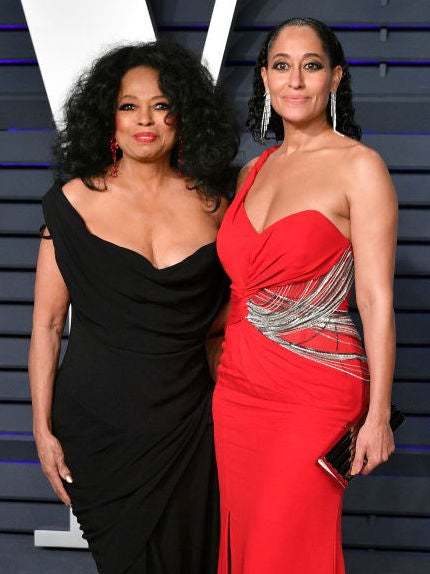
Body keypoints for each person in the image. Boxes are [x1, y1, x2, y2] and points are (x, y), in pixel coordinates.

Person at [28, 39, 239, 574]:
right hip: (99, 429)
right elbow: (48, 324)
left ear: (183, 115)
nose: (146, 119)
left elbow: (233, 316)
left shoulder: (218, 204)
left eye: (162, 104)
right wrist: (42, 429)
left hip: (191, 426)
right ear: (109, 117)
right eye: (129, 105)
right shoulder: (70, 202)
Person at [213, 17, 397, 573]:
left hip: (315, 390)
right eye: (282, 66)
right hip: (237, 393)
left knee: (287, 551)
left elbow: (376, 301)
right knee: (247, 548)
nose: (296, 80)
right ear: (265, 78)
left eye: (311, 66)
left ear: (335, 78)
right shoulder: (251, 171)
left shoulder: (359, 167)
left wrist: (380, 415)